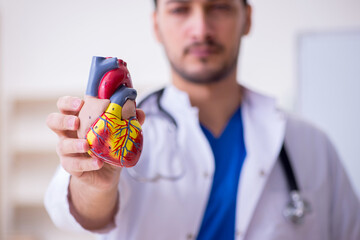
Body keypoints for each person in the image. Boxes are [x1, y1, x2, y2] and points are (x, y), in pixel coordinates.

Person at [45, 0, 360, 239]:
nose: (201, 29)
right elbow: (77, 214)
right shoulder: (115, 131)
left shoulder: (312, 145)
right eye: (181, 9)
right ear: (156, 25)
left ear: (247, 18)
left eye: (219, 6)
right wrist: (94, 183)